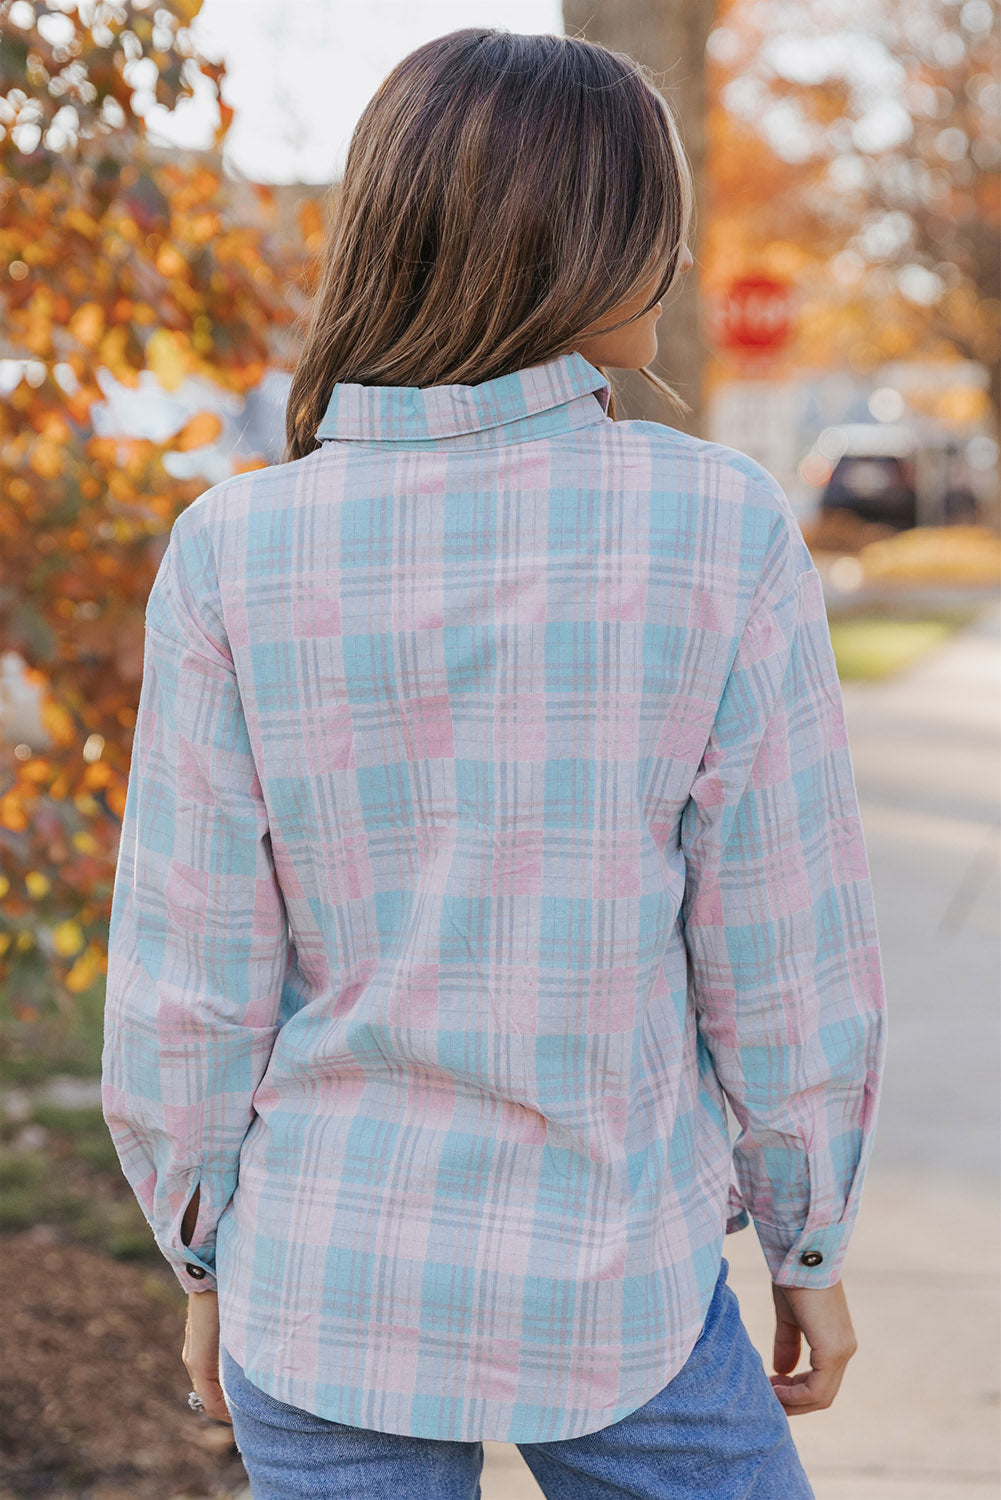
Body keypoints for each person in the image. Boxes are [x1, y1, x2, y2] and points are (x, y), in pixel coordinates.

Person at [101, 27, 887, 1500]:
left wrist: (203, 1257)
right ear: (575, 239)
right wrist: (809, 1242)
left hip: (324, 1277)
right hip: (619, 1280)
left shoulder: (234, 551)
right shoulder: (714, 528)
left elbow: (187, 982)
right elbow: (783, 959)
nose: (677, 246)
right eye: (652, 211)